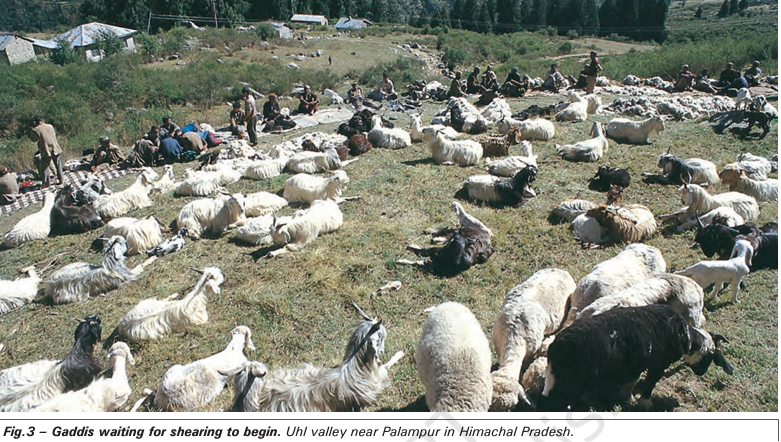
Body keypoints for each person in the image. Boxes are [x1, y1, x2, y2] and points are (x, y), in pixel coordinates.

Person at [30, 116, 64, 188]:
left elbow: (34, 139)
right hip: (55, 148)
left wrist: (31, 131)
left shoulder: (36, 129)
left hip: (46, 150)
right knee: (58, 165)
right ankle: (61, 180)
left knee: (44, 167)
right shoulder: (50, 126)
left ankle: (46, 183)